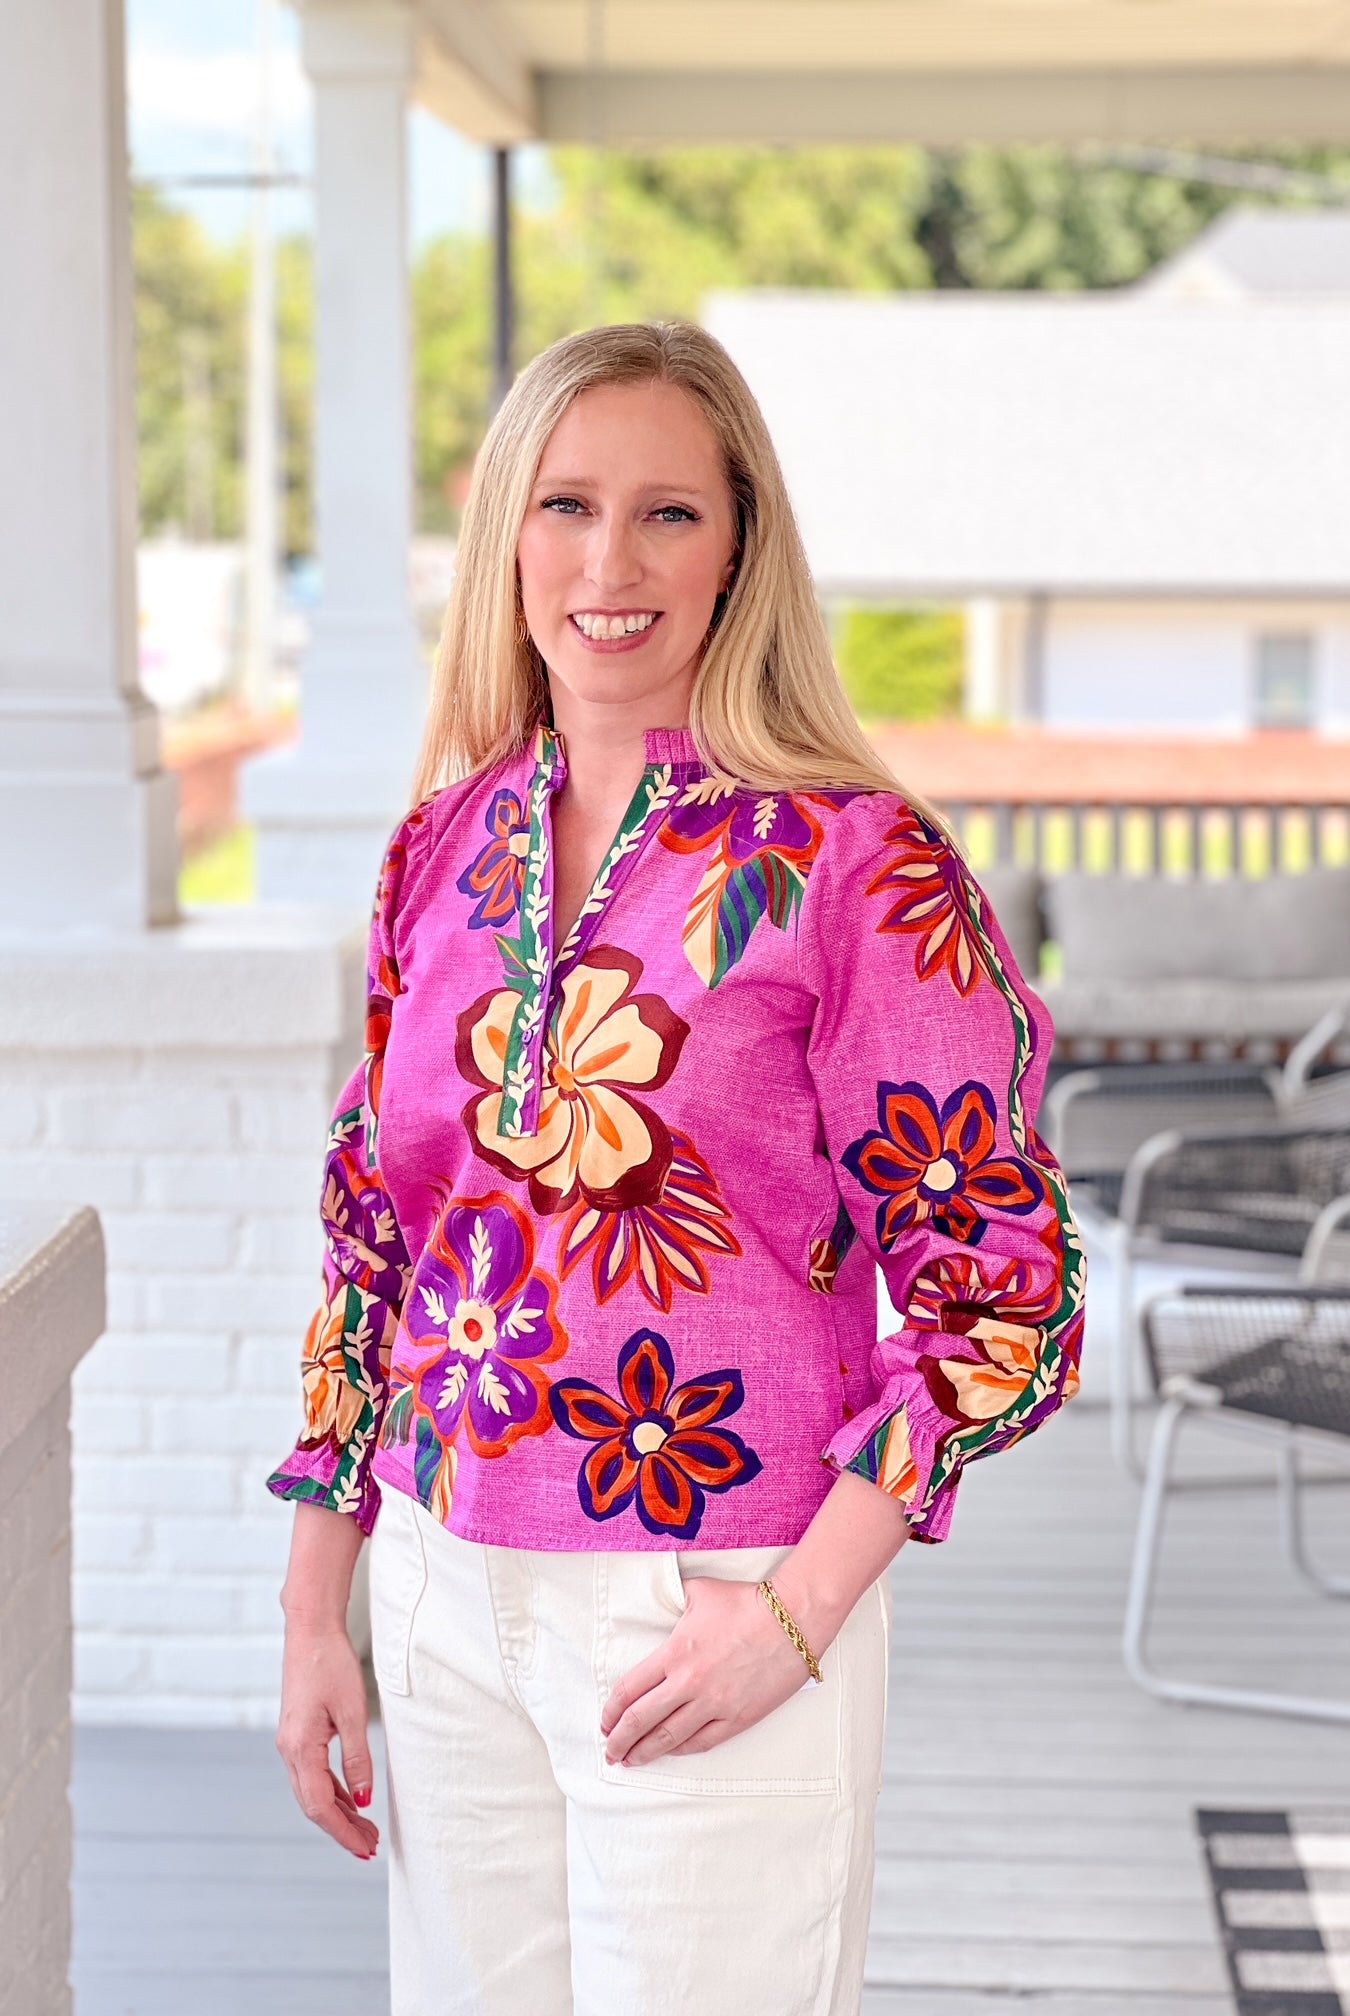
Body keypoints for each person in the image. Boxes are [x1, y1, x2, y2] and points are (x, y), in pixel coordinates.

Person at [267, 320, 1086, 2016]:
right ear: (504, 533)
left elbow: (997, 1287)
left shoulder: (857, 861)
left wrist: (796, 1614)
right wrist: (316, 1606)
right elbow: (375, 1252)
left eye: (669, 515)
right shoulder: (444, 847)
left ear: (740, 552)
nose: (608, 561)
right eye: (565, 504)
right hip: (433, 1585)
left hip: (708, 1597)